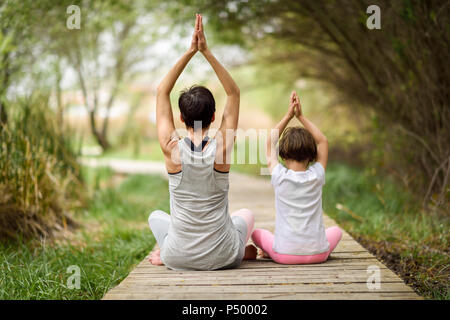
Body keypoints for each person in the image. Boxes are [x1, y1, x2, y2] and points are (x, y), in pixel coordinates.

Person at [148, 14, 256, 271]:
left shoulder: (170, 146)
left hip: (177, 256)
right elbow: (234, 92)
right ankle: (240, 247)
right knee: (244, 216)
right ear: (214, 117)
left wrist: (190, 52)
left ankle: (164, 252)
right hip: (225, 256)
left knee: (156, 216)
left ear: (182, 117)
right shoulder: (222, 146)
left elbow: (162, 91)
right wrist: (205, 51)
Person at [251, 91, 342, 264]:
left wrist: (288, 116)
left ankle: (269, 252)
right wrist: (301, 117)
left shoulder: (279, 175)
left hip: (284, 255)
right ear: (312, 156)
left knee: (257, 233)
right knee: (336, 231)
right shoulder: (317, 174)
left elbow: (269, 142)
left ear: (283, 155)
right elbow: (322, 141)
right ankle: (316, 248)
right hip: (318, 254)